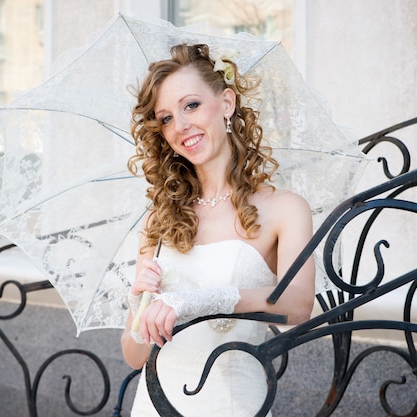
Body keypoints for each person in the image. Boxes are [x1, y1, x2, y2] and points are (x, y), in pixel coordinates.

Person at [120, 43, 316, 417]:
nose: (180, 126)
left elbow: (298, 305)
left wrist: (198, 302)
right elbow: (132, 357)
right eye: (165, 118)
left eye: (191, 105)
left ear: (226, 103)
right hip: (153, 407)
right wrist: (138, 304)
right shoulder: (158, 220)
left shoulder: (285, 209)